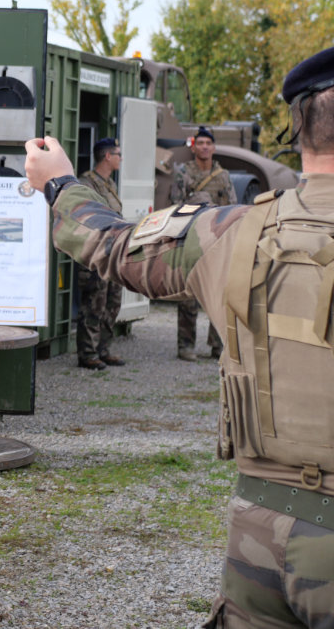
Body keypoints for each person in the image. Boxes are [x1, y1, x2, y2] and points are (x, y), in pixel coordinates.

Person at [24, 45, 334, 628]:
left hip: (258, 538)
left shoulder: (230, 231)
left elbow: (110, 244)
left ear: (298, 127)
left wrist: (59, 182)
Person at [169, 126, 237, 361]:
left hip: (217, 243)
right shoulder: (184, 173)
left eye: (208, 143)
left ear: (214, 147)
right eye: (200, 143)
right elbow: (175, 207)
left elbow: (233, 208)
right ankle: (185, 346)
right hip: (193, 241)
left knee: (218, 296)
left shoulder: (223, 176)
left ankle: (218, 346)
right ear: (194, 147)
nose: (204, 147)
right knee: (188, 296)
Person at [76, 137, 125, 369]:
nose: (120, 158)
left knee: (112, 303)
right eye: (118, 154)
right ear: (108, 156)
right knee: (94, 304)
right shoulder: (87, 183)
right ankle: (87, 353)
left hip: (113, 253)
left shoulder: (109, 184)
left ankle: (103, 349)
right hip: (95, 254)